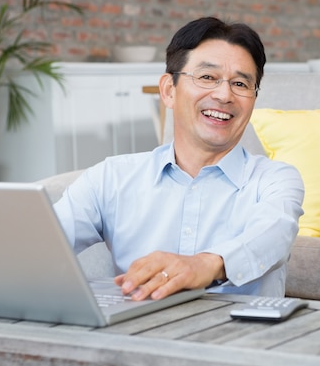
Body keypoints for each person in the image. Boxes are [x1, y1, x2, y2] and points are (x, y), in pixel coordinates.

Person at [54, 17, 304, 301]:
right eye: (207, 77)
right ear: (168, 91)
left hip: (240, 338)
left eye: (240, 83)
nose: (224, 95)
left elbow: (274, 236)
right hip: (137, 332)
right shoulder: (112, 177)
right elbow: (42, 241)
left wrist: (204, 265)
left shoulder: (274, 179)